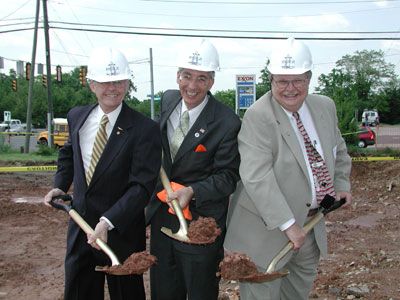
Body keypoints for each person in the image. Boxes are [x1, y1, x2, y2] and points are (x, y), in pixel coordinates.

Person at [224, 37, 352, 300]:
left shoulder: (324, 106)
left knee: (296, 294)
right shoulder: (259, 116)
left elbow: (338, 150)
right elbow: (257, 176)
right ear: (270, 80)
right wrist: (288, 224)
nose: (290, 88)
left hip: (310, 227)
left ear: (309, 78)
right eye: (282, 81)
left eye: (298, 80)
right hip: (266, 231)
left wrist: (341, 185)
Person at [43, 47, 162, 300]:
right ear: (91, 85)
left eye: (119, 81)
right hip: (81, 227)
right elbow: (67, 153)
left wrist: (107, 221)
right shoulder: (77, 116)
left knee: (126, 294)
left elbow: (142, 186)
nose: (113, 88)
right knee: (78, 292)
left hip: (122, 231)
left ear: (128, 83)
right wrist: (60, 185)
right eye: (106, 82)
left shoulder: (145, 129)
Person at [145, 39, 241, 300]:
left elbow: (228, 176)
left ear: (211, 81)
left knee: (200, 292)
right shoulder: (168, 99)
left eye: (202, 78)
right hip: (164, 218)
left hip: (200, 223)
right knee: (163, 290)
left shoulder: (226, 122)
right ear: (178, 75)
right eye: (187, 76)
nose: (192, 86)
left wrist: (193, 190)